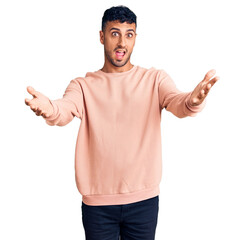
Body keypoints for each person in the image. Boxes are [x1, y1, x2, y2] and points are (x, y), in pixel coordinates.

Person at [24, 5, 219, 240]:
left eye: (129, 35)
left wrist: (193, 100)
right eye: (115, 33)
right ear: (101, 36)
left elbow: (179, 103)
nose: (122, 43)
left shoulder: (154, 79)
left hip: (143, 203)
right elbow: (64, 110)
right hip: (97, 206)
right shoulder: (82, 85)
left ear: (135, 38)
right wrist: (49, 109)